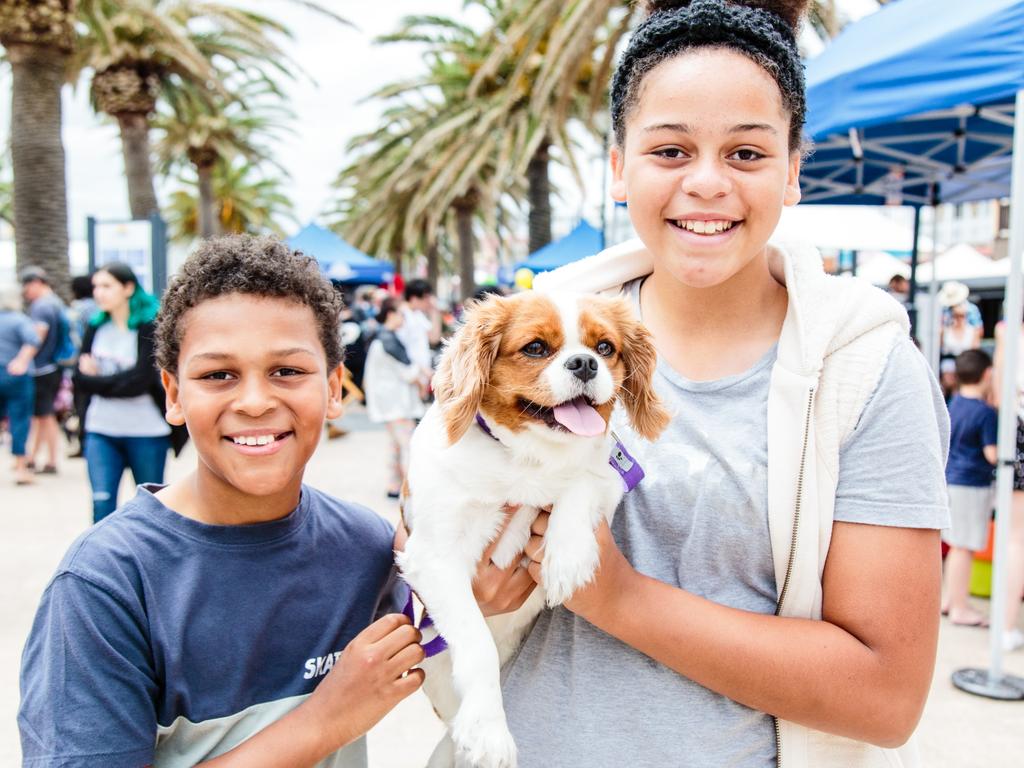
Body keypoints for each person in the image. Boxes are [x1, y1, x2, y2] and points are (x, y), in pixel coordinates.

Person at [469, 3, 949, 766]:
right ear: (619, 167)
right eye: (669, 149)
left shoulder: (865, 368)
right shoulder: (527, 344)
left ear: (793, 170)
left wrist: (621, 598)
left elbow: (884, 698)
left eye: (747, 154)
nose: (706, 183)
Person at [19, 235, 425, 766]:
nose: (255, 401)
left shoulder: (368, 548)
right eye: (218, 375)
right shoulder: (107, 584)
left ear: (333, 389)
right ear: (173, 394)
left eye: (287, 371)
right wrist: (327, 720)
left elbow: (467, 615)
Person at [73, 263, 183, 523]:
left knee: (151, 507)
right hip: (101, 430)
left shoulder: (148, 326)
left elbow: (141, 380)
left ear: (128, 287)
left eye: (106, 286)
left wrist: (97, 379)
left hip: (146, 432)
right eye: (96, 287)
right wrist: (103, 381)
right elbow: (79, 378)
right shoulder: (96, 326)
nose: (99, 293)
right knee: (101, 503)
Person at [941, 349, 997, 628]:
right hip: (973, 484)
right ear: (987, 374)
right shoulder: (987, 414)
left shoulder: (954, 403)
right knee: (965, 547)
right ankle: (960, 607)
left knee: (955, 545)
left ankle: (952, 600)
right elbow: (992, 454)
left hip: (952, 480)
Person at [363, 297, 426, 498]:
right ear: (391, 314)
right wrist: (421, 381)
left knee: (395, 445)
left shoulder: (380, 338)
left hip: (389, 404)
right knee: (409, 446)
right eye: (401, 314)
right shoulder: (389, 340)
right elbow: (407, 371)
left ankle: (394, 485)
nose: (404, 319)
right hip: (397, 404)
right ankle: (414, 490)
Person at [992, 318, 1024, 652]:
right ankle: (1005, 626)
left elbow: (999, 396)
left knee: (1014, 538)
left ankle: (1004, 625)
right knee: (1016, 540)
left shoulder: (1008, 332)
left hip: (1015, 435)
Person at [19, 266, 66, 474]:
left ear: (37, 282)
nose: (25, 292)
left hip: (43, 368)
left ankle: (51, 460)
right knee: (42, 414)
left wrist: (22, 360)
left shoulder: (42, 306)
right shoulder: (56, 303)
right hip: (53, 366)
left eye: (27, 286)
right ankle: (34, 456)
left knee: (45, 415)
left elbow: (37, 337)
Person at [0, 287, 40, 485]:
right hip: (15, 376)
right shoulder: (19, 319)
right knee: (20, 421)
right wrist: (22, 361)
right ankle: (20, 468)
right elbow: (33, 340)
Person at [397, 278, 440, 395]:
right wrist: (422, 369)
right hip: (410, 373)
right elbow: (403, 348)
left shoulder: (417, 314)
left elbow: (434, 337)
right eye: (426, 297)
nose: (429, 302)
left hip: (420, 372)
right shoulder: (402, 316)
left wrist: (434, 312)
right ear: (414, 298)